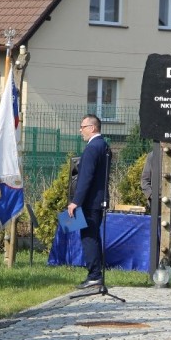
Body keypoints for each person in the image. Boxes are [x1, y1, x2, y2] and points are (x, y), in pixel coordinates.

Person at [67, 114, 109, 289]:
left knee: (89, 237)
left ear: (92, 128)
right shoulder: (104, 145)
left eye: (83, 127)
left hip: (90, 202)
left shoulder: (92, 148)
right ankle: (96, 273)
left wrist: (76, 201)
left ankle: (94, 275)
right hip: (99, 200)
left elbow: (85, 177)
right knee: (93, 236)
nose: (80, 130)